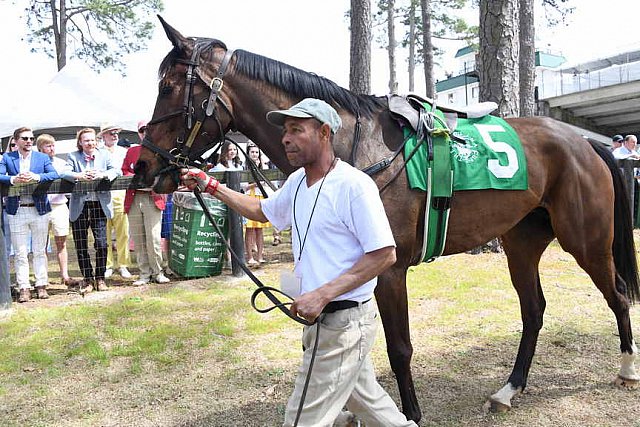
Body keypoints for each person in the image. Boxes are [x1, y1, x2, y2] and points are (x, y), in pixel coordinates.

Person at [180, 98, 417, 426]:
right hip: (329, 323)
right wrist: (212, 186)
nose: (285, 138)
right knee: (369, 403)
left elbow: (383, 254)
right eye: (285, 131)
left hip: (342, 324)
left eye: (296, 130)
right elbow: (262, 212)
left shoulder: (354, 186)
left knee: (300, 419)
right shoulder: (297, 182)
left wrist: (321, 294)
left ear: (323, 133)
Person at [0, 127, 59, 302]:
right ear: (16, 141)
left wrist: (37, 177)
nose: (28, 141)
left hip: (39, 209)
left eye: (31, 138)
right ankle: (24, 287)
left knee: (39, 250)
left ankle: (41, 285)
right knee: (20, 252)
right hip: (16, 210)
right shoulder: (7, 157)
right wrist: (13, 179)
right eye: (25, 138)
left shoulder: (41, 157)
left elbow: (54, 174)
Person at [61, 128, 121, 292]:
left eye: (93, 139)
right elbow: (64, 172)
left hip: (99, 205)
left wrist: (101, 175)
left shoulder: (105, 154)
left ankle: (100, 278)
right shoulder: (73, 156)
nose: (90, 143)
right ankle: (88, 279)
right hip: (80, 206)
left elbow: (116, 170)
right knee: (81, 245)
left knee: (102, 244)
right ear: (80, 142)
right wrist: (80, 176)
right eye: (86, 140)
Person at [122, 122, 170, 286]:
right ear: (138, 133)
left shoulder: (161, 150)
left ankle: (158, 271)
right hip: (134, 197)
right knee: (138, 238)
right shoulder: (132, 151)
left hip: (153, 198)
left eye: (148, 130)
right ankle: (144, 273)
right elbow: (125, 170)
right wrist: (137, 178)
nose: (145, 133)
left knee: (154, 237)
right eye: (142, 130)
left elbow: (166, 172)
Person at [36, 134, 81, 288]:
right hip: (41, 207)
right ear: (40, 148)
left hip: (59, 205)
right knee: (41, 244)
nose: (52, 148)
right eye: (48, 146)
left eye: (53, 145)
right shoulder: (35, 164)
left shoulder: (62, 163)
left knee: (61, 242)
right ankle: (43, 278)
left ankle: (65, 276)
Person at [98, 124, 132, 279]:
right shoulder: (97, 152)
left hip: (120, 194)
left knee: (123, 232)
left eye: (116, 133)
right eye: (111, 133)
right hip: (103, 194)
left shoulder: (124, 151)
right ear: (103, 136)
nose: (114, 135)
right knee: (104, 232)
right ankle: (107, 265)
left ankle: (123, 265)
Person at [243, 141, 269, 266]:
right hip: (249, 197)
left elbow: (267, 181)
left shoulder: (264, 166)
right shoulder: (244, 166)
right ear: (248, 153)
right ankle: (250, 256)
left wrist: (261, 166)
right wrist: (255, 183)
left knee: (260, 229)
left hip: (260, 196)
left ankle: (260, 256)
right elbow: (243, 186)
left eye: (256, 152)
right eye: (252, 152)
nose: (254, 154)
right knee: (250, 229)